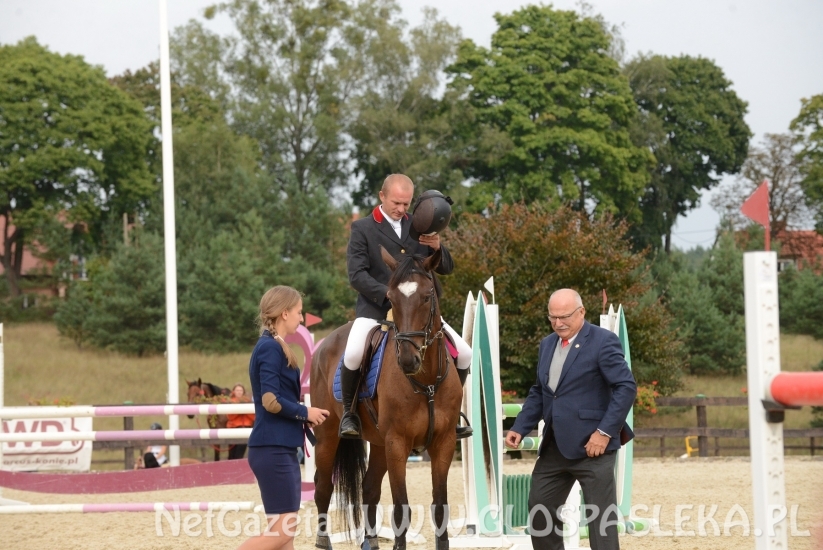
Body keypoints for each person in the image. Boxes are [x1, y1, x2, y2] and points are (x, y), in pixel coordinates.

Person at [341, 174, 472, 439]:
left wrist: (438, 247)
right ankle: (349, 413)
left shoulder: (420, 226)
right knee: (353, 353)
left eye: (406, 203)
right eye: (396, 203)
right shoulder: (363, 228)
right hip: (376, 309)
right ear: (382, 196)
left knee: (465, 353)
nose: (401, 209)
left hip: (419, 313)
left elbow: (446, 268)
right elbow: (357, 275)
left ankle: (452, 412)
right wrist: (390, 294)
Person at [504, 289, 637, 550]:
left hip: (594, 447)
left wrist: (604, 432)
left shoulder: (603, 341)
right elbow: (540, 392)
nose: (558, 323)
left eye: (564, 316)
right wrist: (520, 426)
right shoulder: (547, 344)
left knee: (601, 522)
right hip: (555, 447)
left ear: (581, 312)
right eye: (552, 317)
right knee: (540, 511)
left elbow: (626, 387)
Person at [239, 285, 330, 550]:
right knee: (282, 534)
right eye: (299, 313)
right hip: (273, 449)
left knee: (284, 537)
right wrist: (305, 412)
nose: (301, 319)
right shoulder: (270, 348)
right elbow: (270, 400)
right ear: (285, 312)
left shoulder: (273, 346)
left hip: (277, 447)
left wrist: (304, 417)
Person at [227, 383, 255, 460]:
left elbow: (252, 416)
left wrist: (243, 409)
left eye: (240, 390)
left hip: (245, 428)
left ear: (243, 392)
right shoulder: (230, 402)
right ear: (233, 392)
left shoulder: (248, 401)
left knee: (240, 453)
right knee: (231, 454)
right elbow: (230, 416)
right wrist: (241, 410)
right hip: (233, 428)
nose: (239, 392)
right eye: (237, 390)